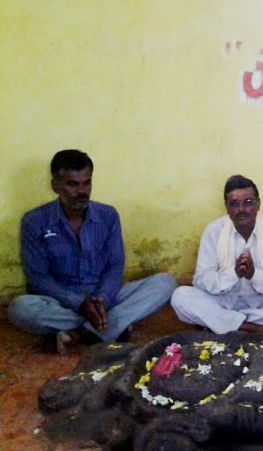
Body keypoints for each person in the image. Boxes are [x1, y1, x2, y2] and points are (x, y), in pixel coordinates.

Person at [8, 149, 177, 354]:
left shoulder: (108, 215)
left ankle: (81, 334)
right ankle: (113, 326)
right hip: (62, 302)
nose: (82, 191)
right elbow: (39, 279)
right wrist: (80, 304)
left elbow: (115, 266)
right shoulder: (35, 221)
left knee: (165, 283)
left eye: (86, 183)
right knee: (19, 308)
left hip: (106, 298)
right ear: (55, 186)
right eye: (73, 184)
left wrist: (102, 299)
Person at [171, 175, 263, 334]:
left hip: (262, 302)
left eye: (248, 202)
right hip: (223, 301)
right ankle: (253, 327)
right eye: (234, 204)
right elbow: (201, 279)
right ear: (226, 207)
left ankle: (223, 322)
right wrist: (233, 273)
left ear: (258, 204)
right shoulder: (213, 232)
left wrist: (254, 275)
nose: (241, 210)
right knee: (180, 296)